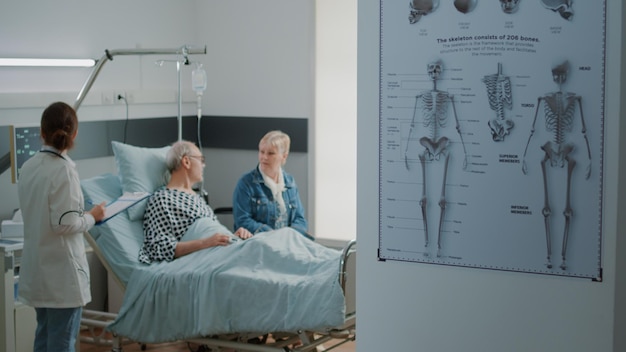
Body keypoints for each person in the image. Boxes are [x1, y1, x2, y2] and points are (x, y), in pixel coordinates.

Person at [17, 101, 106, 352]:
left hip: (39, 273)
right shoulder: (64, 170)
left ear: (41, 132)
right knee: (61, 343)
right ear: (75, 134)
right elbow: (64, 224)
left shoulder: (28, 167)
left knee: (44, 338)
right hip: (61, 278)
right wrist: (93, 216)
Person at [138, 140, 253, 264]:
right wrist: (205, 243)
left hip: (226, 249)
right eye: (201, 160)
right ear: (186, 161)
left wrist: (233, 236)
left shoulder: (198, 198)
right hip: (208, 258)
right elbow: (157, 248)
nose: (204, 165)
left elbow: (214, 235)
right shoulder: (162, 199)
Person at [232, 130, 311, 239]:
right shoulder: (246, 183)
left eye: (270, 153)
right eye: (261, 152)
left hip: (288, 242)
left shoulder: (289, 182)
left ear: (284, 156)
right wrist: (274, 236)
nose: (264, 157)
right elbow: (242, 220)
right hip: (261, 243)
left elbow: (300, 219)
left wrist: (290, 236)